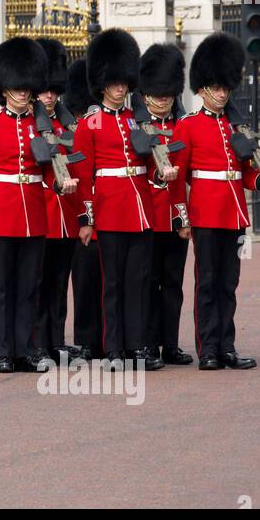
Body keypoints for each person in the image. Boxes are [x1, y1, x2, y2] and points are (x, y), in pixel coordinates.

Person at [171, 33, 260, 370]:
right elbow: (178, 178)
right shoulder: (187, 127)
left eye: (225, 88)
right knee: (207, 283)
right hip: (204, 214)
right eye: (216, 88)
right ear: (202, 88)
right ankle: (207, 349)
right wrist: (182, 218)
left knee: (228, 284)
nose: (221, 94)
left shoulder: (237, 127)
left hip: (234, 215)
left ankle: (226, 346)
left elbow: (245, 172)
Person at [74, 30, 178, 372]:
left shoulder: (138, 120)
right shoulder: (88, 124)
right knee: (113, 284)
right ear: (102, 84)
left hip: (140, 211)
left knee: (138, 283)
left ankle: (137, 347)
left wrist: (161, 175)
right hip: (109, 210)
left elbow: (147, 168)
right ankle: (114, 348)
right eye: (114, 83)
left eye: (124, 83)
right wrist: (87, 220)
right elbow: (85, 177)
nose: (120, 89)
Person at [0, 38, 76, 373]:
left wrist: (61, 183)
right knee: (2, 287)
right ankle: (4, 352)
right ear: (4, 89)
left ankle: (26, 349)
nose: (21, 92)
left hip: (34, 213)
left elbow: (47, 172)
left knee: (30, 286)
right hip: (1, 212)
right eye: (15, 87)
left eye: (24, 86)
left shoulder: (41, 126)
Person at [137, 43, 194, 365]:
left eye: (167, 94)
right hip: (145, 216)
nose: (162, 100)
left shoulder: (181, 127)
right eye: (157, 94)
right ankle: (145, 344)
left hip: (174, 216)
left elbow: (187, 176)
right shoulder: (136, 127)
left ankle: (169, 343)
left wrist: (185, 218)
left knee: (172, 283)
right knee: (146, 282)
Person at [34, 37, 83, 362]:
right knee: (38, 285)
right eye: (44, 90)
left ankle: (56, 339)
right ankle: (38, 342)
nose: (50, 96)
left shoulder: (68, 124)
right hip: (39, 214)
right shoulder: (30, 124)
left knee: (58, 283)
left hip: (65, 216)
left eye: (54, 90)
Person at [62, 59, 103, 360]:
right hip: (79, 211)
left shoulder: (99, 124)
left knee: (107, 280)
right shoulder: (65, 129)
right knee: (85, 280)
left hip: (109, 207)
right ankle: (87, 338)